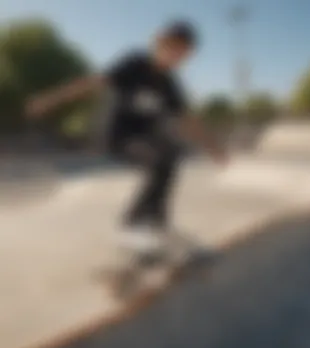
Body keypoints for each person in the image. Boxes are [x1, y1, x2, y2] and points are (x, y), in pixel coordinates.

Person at [26, 20, 227, 256]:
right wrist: (50, 99)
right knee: (160, 160)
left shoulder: (170, 84)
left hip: (143, 137)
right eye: (172, 49)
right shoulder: (135, 63)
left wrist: (213, 148)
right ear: (159, 44)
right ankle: (130, 225)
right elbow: (93, 82)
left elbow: (187, 119)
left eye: (182, 54)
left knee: (173, 153)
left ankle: (156, 221)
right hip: (116, 135)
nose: (175, 58)